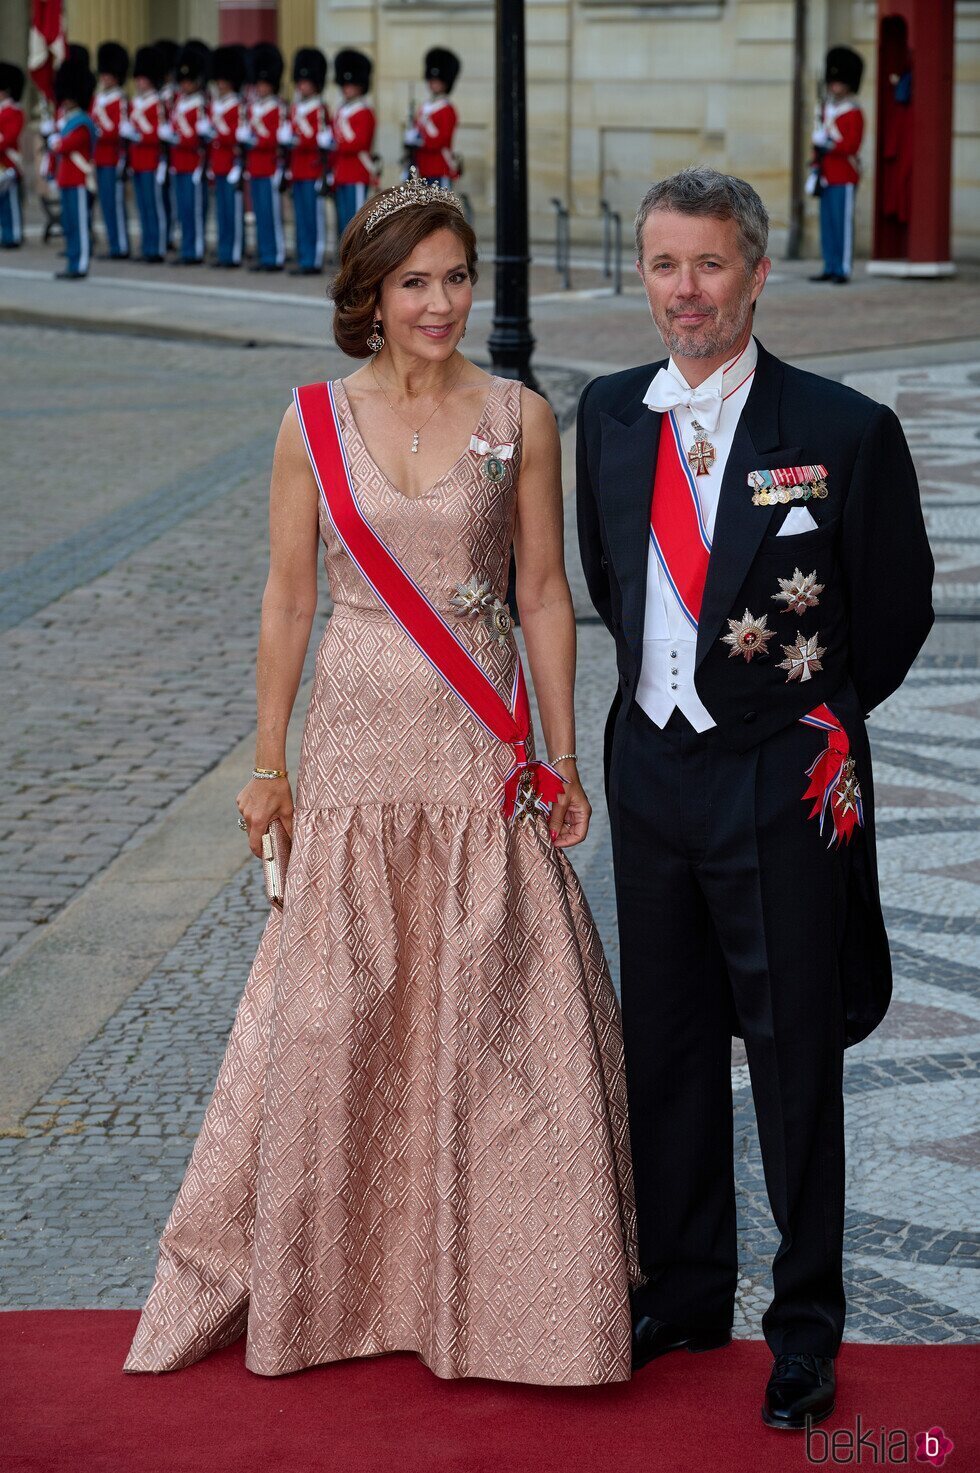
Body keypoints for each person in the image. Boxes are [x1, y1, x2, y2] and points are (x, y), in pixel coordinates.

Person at [123, 169, 638, 1384]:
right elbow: (289, 596)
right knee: (342, 1012)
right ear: (370, 293)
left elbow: (543, 595)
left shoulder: (520, 417)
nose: (442, 303)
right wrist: (267, 762)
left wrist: (563, 755)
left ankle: (513, 1291)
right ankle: (346, 1284)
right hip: (354, 750)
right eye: (416, 282)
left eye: (457, 277)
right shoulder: (309, 419)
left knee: (497, 1010)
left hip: (476, 753)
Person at [576, 166, 933, 1429]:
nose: (683, 290)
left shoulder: (837, 432)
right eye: (662, 263)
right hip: (651, 774)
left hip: (778, 781)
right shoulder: (609, 415)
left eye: (708, 264)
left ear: (755, 272)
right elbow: (610, 579)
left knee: (790, 1061)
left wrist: (805, 725)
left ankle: (803, 1326)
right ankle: (680, 1294)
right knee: (665, 1046)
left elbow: (893, 612)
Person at [809, 46, 864, 284]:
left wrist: (828, 145)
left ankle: (842, 269)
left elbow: (852, 146)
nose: (834, 86)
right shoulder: (824, 109)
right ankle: (829, 265)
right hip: (826, 174)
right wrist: (815, 160)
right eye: (833, 81)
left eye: (839, 82)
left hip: (844, 175)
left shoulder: (853, 112)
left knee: (842, 226)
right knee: (827, 224)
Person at [49, 57, 97, 279]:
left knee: (79, 224)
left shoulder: (83, 123)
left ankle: (80, 264)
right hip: (66, 178)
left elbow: (67, 144)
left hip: (78, 179)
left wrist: (56, 140)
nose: (65, 101)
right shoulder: (68, 121)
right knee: (68, 224)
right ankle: (71, 261)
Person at [284, 46, 330, 275]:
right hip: (298, 169)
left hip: (312, 169)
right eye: (300, 81)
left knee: (313, 219)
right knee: (300, 218)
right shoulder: (296, 109)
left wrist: (299, 138)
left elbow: (318, 141)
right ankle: (303, 257)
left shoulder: (319, 109)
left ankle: (314, 259)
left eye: (306, 81)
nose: (302, 85)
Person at [164, 41, 210, 265]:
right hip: (178, 163)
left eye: (189, 80)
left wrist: (178, 137)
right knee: (182, 210)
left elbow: (194, 139)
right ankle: (186, 249)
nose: (185, 84)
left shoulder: (200, 103)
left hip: (193, 164)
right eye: (183, 80)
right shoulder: (179, 103)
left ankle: (195, 250)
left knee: (194, 211)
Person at [121, 45, 166, 263]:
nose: (139, 82)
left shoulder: (156, 103)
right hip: (137, 161)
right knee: (141, 206)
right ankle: (146, 245)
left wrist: (138, 133)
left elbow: (157, 134)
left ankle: (156, 247)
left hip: (151, 161)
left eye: (143, 78)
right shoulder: (134, 103)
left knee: (152, 206)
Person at [243, 42, 285, 272]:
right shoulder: (252, 108)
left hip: (269, 167)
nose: (259, 87)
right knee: (259, 214)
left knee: (271, 215)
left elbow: (273, 139)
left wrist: (256, 139)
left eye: (263, 82)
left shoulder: (277, 108)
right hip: (255, 167)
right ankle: (263, 253)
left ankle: (274, 256)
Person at [206, 44, 246, 269]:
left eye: (224, 79)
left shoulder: (236, 105)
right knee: (221, 213)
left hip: (232, 166)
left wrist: (217, 131)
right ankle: (223, 252)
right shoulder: (215, 106)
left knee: (232, 213)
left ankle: (233, 253)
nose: (220, 83)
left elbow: (235, 137)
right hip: (218, 165)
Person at [331, 48, 376, 243]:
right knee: (343, 222)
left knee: (356, 223)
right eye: (345, 84)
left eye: (351, 84)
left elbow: (359, 143)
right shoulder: (341, 111)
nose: (347, 88)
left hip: (357, 171)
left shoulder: (364, 112)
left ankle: (358, 265)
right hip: (341, 172)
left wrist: (336, 142)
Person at [92, 42, 130, 260]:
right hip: (100, 158)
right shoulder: (99, 99)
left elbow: (117, 131)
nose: (105, 78)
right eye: (103, 74)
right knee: (106, 203)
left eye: (109, 75)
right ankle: (113, 243)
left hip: (114, 157)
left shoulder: (119, 99)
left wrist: (101, 127)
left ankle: (121, 246)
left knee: (115, 203)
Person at [404, 48, 460, 188]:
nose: (434, 84)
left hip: (439, 168)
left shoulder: (447, 109)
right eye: (432, 80)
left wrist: (420, 141)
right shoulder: (424, 107)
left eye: (438, 81)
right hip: (422, 168)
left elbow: (442, 139)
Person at [0, 62, 25, 249]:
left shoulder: (14, 112)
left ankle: (14, 234)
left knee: (11, 202)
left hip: (9, 162)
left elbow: (9, 137)